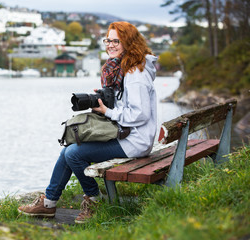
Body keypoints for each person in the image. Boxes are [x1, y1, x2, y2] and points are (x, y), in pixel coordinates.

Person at [18, 21, 158, 224]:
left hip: (135, 140)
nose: (110, 45)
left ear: (129, 42)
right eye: (108, 40)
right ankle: (48, 203)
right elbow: (127, 105)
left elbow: (140, 114)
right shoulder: (123, 68)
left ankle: (93, 200)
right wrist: (106, 100)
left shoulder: (135, 74)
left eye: (116, 41)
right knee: (69, 148)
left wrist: (108, 111)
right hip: (126, 133)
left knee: (73, 153)